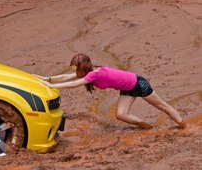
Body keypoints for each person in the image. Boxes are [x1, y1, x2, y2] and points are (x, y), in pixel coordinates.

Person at [35, 53, 186, 129]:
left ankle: (183, 126)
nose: (74, 71)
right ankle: (148, 128)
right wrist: (47, 79)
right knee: (120, 115)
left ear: (83, 66)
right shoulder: (89, 73)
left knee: (161, 106)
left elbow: (74, 84)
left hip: (139, 84)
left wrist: (50, 87)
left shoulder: (95, 73)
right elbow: (66, 77)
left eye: (76, 68)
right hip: (128, 89)